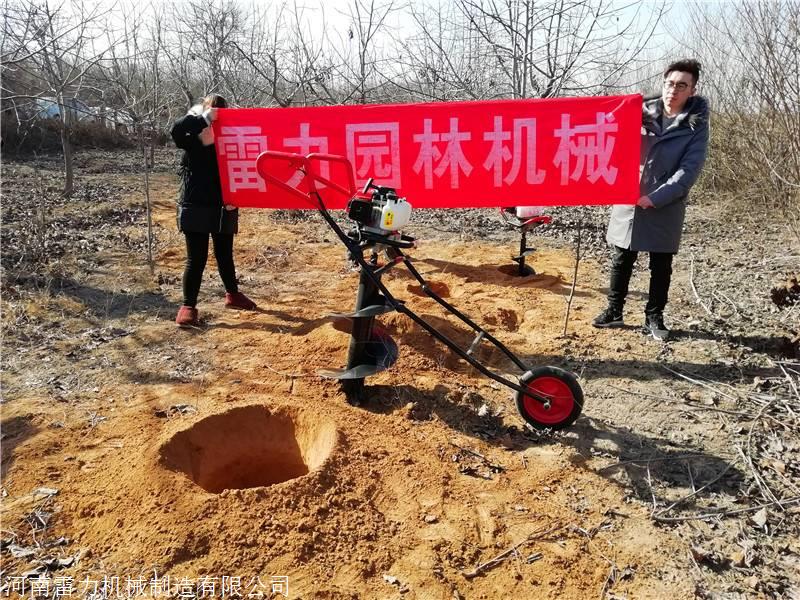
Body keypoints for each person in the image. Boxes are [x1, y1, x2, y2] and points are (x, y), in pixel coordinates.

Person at [593, 59, 710, 341]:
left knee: (660, 263)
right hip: (629, 194)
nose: (674, 90)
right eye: (670, 83)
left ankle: (654, 316)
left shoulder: (695, 127)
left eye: (682, 85)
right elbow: (607, 139)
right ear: (663, 84)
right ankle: (614, 310)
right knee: (622, 256)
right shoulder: (638, 114)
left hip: (664, 202)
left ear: (692, 90)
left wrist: (654, 198)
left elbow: (687, 172)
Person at [171, 94, 257, 327]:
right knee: (195, 259)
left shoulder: (233, 138)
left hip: (224, 205)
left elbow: (248, 166)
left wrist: (238, 197)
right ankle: (188, 306)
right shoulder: (192, 136)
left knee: (225, 254)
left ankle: (233, 294)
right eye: (212, 111)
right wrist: (202, 118)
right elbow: (176, 131)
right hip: (196, 204)